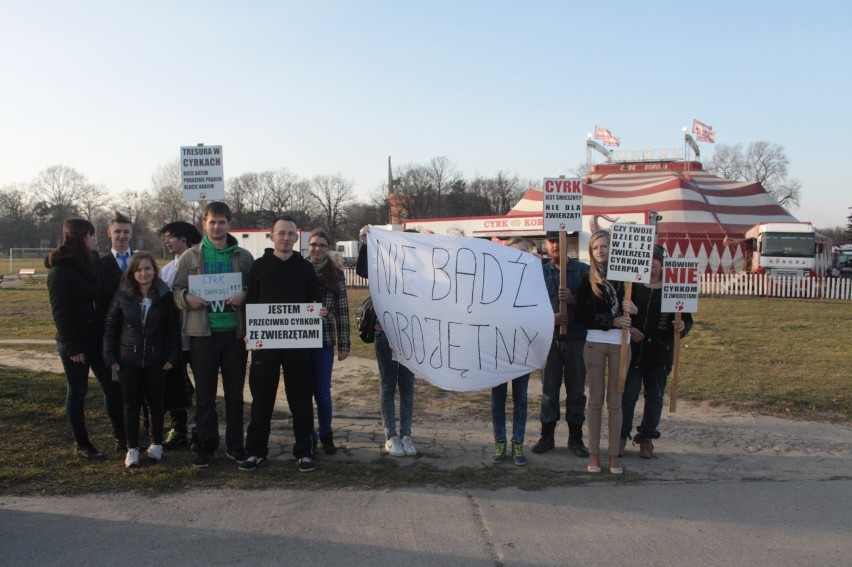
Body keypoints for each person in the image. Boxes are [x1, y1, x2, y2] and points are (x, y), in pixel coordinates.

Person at [172, 202, 254, 468]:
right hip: (202, 335)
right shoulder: (191, 257)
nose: (217, 227)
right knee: (205, 395)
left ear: (229, 224)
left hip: (234, 334)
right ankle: (206, 445)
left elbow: (255, 288)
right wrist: (188, 298)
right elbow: (176, 290)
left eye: (221, 222)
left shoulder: (243, 257)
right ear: (203, 224)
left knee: (234, 394)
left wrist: (245, 294)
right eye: (212, 222)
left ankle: (235, 445)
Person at [241, 216, 321, 472]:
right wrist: (249, 332)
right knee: (262, 399)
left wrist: (318, 314)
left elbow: (314, 301)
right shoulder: (259, 266)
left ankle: (304, 451)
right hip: (266, 345)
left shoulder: (305, 268)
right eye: (281, 233)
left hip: (299, 345)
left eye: (290, 234)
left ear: (297, 238)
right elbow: (250, 303)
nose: (286, 238)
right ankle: (256, 452)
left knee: (300, 399)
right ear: (271, 236)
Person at [46, 219, 125, 459]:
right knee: (77, 390)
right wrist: (72, 346)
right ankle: (82, 443)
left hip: (98, 338)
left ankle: (123, 438)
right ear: (80, 237)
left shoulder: (92, 263)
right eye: (90, 235)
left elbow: (100, 299)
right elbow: (60, 311)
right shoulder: (60, 270)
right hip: (75, 342)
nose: (94, 239)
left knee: (113, 387)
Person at [104, 253, 181, 468]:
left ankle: (156, 444)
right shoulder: (122, 295)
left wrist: (173, 357)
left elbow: (173, 329)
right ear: (132, 273)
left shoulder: (165, 296)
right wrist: (110, 356)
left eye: (148, 269)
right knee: (130, 405)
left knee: (156, 404)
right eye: (138, 269)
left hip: (157, 360)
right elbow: (111, 326)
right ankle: (132, 448)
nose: (143, 273)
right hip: (128, 359)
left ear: (154, 271)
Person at [621, 244, 693, 459]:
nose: (652, 262)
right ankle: (621, 437)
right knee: (628, 397)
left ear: (662, 263)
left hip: (660, 352)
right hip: (634, 353)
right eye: (648, 258)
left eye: (656, 259)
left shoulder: (673, 287)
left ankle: (646, 437)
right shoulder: (631, 287)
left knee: (655, 398)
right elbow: (621, 315)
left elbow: (686, 319)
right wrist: (630, 328)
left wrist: (682, 327)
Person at [576, 230, 637, 474]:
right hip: (595, 343)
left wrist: (634, 308)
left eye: (604, 246)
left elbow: (637, 310)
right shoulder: (586, 279)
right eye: (595, 247)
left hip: (621, 344)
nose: (600, 250)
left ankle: (613, 455)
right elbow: (581, 315)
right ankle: (594, 455)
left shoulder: (628, 279)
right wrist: (610, 322)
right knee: (595, 402)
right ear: (591, 252)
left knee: (615, 402)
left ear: (613, 248)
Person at [357, 225, 417, 457]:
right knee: (388, 385)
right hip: (385, 333)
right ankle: (391, 435)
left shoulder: (423, 272)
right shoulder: (386, 266)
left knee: (408, 387)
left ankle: (406, 435)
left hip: (412, 335)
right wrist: (364, 242)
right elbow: (363, 270)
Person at [532, 231, 591, 458]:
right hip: (550, 340)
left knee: (576, 391)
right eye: (552, 241)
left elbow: (591, 307)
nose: (556, 245)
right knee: (549, 390)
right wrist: (551, 318)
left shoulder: (583, 271)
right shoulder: (539, 273)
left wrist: (574, 300)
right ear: (546, 245)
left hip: (576, 339)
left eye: (560, 240)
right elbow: (531, 307)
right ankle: (547, 435)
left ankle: (575, 437)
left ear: (570, 244)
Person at [158, 221, 202, 450]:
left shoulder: (202, 264)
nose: (167, 241)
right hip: (175, 340)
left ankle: (202, 430)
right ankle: (178, 428)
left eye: (170, 236)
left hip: (198, 335)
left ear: (184, 238)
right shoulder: (164, 272)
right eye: (164, 237)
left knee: (204, 385)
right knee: (175, 386)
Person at [307, 229, 351, 455]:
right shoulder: (298, 269)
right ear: (308, 246)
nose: (317, 249)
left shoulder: (335, 273)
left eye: (322, 245)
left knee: (322, 392)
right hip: (300, 339)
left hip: (323, 339)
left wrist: (344, 343)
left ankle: (326, 433)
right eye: (314, 244)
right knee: (303, 391)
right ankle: (308, 435)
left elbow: (343, 311)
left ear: (328, 248)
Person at [490, 236, 533, 466]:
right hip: (498, 348)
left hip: (523, 349)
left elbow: (540, 317)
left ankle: (518, 443)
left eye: (522, 252)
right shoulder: (497, 280)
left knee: (521, 398)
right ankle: (499, 441)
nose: (517, 256)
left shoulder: (534, 282)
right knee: (498, 398)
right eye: (513, 252)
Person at [99, 212, 133, 312]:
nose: (122, 236)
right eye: (117, 231)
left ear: (131, 233)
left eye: (126, 232)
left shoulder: (141, 261)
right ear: (109, 233)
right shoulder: (100, 264)